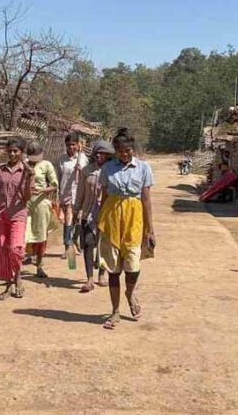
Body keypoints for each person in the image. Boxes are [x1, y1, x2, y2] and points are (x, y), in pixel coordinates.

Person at [96, 128, 155, 329]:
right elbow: (104, 197)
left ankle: (130, 293)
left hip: (134, 221)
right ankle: (115, 311)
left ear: (133, 149)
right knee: (113, 269)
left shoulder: (143, 168)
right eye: (121, 151)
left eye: (128, 150)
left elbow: (146, 199)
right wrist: (99, 222)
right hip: (112, 221)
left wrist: (150, 229)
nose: (124, 154)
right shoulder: (107, 169)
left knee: (132, 266)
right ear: (116, 151)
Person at [0, 137, 34, 299]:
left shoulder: (26, 172)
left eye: (15, 151)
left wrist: (29, 178)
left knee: (15, 248)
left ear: (21, 152)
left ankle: (18, 277)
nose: (12, 154)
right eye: (9, 151)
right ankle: (9, 284)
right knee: (3, 250)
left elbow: (27, 197)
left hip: (18, 215)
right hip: (1, 215)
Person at [74, 140, 114, 292]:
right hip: (88, 213)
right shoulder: (87, 171)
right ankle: (89, 278)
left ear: (108, 155)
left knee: (104, 246)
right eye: (97, 153)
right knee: (88, 243)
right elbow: (80, 192)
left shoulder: (113, 170)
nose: (98, 155)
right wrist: (76, 210)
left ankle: (102, 274)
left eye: (102, 153)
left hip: (107, 214)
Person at [24, 141, 58, 279]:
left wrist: (43, 190)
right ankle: (19, 264)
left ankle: (39, 265)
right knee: (23, 233)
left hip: (41, 203)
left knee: (41, 236)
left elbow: (54, 185)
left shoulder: (46, 165)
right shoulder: (23, 164)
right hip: (25, 203)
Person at [56, 132, 89, 258]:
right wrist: (58, 196)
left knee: (76, 219)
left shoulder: (83, 159)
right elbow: (59, 178)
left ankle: (74, 239)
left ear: (78, 145)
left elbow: (87, 176)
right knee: (68, 218)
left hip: (79, 193)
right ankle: (67, 246)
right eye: (68, 145)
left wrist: (81, 170)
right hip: (66, 193)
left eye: (73, 145)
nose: (71, 147)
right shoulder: (61, 160)